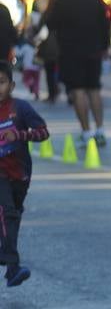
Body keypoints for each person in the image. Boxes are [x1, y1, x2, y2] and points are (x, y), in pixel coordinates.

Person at [39, 0, 111, 147]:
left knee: (78, 90)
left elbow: (50, 23)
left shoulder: (63, 2)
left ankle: (86, 133)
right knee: (94, 89)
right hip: (93, 50)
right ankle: (100, 130)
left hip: (71, 52)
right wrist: (104, 45)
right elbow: (105, 22)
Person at [0, 61, 48, 288]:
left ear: (11, 85)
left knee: (12, 215)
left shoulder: (21, 108)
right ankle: (13, 266)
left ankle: (7, 256)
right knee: (7, 212)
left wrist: (19, 135)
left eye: (1, 82)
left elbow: (43, 132)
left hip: (19, 173)